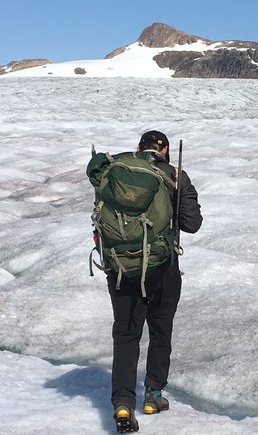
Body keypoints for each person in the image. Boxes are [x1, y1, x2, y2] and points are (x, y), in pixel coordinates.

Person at [106, 131, 203, 432]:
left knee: (126, 333)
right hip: (163, 266)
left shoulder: (118, 175)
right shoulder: (175, 175)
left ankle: (123, 404)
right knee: (160, 329)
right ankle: (153, 395)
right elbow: (192, 224)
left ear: (139, 148)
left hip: (122, 266)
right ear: (166, 150)